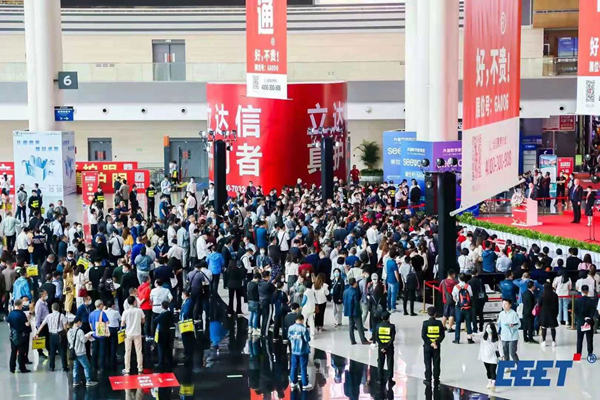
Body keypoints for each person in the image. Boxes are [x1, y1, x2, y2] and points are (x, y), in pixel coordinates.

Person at [34, 302, 68, 372]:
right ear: (58, 308)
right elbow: (65, 327)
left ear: (52, 308)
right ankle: (64, 366)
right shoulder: (62, 316)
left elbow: (42, 325)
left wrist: (37, 333)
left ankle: (52, 367)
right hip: (60, 336)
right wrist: (66, 335)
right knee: (62, 351)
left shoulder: (48, 316)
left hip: (52, 336)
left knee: (52, 351)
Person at [68, 317, 97, 387]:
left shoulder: (69, 331)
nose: (81, 324)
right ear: (78, 322)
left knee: (75, 367)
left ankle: (75, 381)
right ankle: (88, 381)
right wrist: (88, 336)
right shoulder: (80, 331)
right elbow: (83, 340)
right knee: (86, 366)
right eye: (80, 322)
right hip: (80, 352)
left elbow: (70, 341)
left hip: (73, 352)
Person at [121, 296, 145, 375]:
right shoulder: (139, 311)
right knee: (139, 351)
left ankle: (127, 369)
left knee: (127, 352)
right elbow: (143, 321)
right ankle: (140, 368)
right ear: (135, 302)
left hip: (128, 334)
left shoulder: (125, 312)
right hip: (137, 333)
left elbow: (122, 323)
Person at [288, 313, 312, 390]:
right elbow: (307, 339)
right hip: (303, 351)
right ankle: (305, 384)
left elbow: (289, 337)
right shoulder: (303, 329)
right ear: (302, 320)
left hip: (294, 350)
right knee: (303, 367)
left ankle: (293, 382)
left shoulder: (290, 328)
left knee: (294, 366)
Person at [6, 298, 31, 373]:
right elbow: (27, 324)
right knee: (21, 353)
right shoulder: (21, 314)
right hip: (21, 336)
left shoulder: (10, 314)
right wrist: (28, 319)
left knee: (13, 352)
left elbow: (8, 322)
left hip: (13, 335)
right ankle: (22, 368)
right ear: (20, 305)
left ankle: (12, 368)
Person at [421, 306, 444, 386]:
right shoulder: (439, 323)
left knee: (427, 363)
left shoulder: (425, 323)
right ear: (435, 314)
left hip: (427, 346)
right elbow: (442, 335)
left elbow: (423, 336)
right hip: (436, 347)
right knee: (436, 363)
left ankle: (428, 379)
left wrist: (430, 343)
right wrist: (436, 342)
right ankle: (436, 379)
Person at [343, 278, 370, 345]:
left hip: (349, 311)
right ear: (354, 283)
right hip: (355, 311)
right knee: (360, 326)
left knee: (351, 326)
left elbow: (344, 301)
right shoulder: (355, 292)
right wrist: (359, 310)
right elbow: (356, 303)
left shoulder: (345, 291)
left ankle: (352, 340)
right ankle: (363, 340)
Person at [373, 310, 396, 389]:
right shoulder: (392, 326)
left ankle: (380, 379)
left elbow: (376, 337)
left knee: (380, 362)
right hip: (389, 347)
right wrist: (386, 347)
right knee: (390, 363)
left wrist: (382, 347)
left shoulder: (378, 326)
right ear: (388, 318)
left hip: (381, 347)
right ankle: (390, 379)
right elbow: (392, 339)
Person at [478, 322, 502, 391]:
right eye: (487, 327)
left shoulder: (497, 337)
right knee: (488, 370)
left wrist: (502, 355)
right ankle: (489, 381)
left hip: (493, 357)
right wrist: (472, 335)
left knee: (493, 371)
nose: (488, 329)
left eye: (489, 327)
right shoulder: (483, 336)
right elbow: (477, 335)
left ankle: (493, 384)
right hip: (485, 357)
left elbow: (500, 346)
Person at [451, 273, 474, 344]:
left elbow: (454, 297)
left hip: (459, 307)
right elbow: (471, 295)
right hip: (467, 307)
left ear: (459, 279)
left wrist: (457, 302)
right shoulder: (468, 286)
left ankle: (457, 339)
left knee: (458, 323)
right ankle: (469, 339)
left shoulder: (456, 287)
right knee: (468, 323)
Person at [574, 285, 596, 358]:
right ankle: (590, 354)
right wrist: (588, 318)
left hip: (580, 322)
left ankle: (578, 355)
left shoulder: (577, 301)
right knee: (589, 339)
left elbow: (576, 312)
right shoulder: (592, 301)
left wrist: (582, 318)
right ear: (588, 291)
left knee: (579, 339)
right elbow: (593, 311)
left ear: (581, 291)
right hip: (589, 322)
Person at [497, 299, 520, 364]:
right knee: (505, 353)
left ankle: (519, 365)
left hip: (513, 336)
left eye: (506, 304)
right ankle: (507, 366)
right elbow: (499, 324)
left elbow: (519, 324)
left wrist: (513, 325)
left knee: (512, 352)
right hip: (504, 336)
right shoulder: (501, 314)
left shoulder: (514, 314)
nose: (504, 305)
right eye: (503, 304)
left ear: (510, 305)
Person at [153, 301, 175, 370]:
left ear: (162, 306)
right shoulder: (170, 313)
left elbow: (155, 320)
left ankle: (161, 363)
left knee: (161, 349)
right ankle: (169, 362)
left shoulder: (162, 314)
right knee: (168, 349)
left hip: (162, 333)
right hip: (169, 333)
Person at [538, 281, 559, 347]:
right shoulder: (555, 295)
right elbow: (557, 305)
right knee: (553, 328)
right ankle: (554, 341)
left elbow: (539, 304)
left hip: (544, 313)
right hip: (552, 313)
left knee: (544, 328)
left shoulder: (542, 295)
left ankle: (544, 341)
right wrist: (556, 313)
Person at [179, 289, 194, 365]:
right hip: (186, 322)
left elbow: (186, 312)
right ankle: (187, 351)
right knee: (187, 338)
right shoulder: (187, 301)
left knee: (186, 337)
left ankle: (188, 352)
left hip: (186, 323)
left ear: (185, 294)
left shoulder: (188, 302)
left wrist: (182, 314)